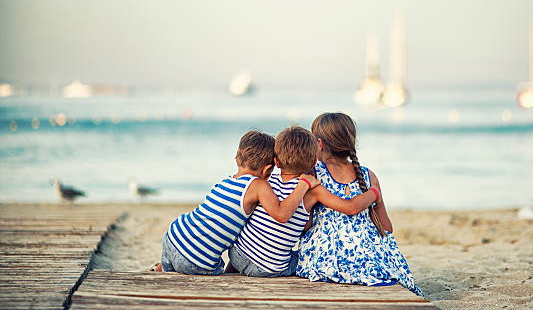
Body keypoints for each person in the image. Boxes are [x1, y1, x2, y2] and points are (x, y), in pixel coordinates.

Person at [296, 112, 423, 296]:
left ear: (320, 144)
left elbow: (305, 225)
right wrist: (374, 198)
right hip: (371, 254)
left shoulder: (314, 175)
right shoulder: (368, 175)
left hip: (328, 257)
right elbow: (386, 228)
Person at [159, 130, 320, 275]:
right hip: (196, 260)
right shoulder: (258, 186)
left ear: (238, 157)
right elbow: (282, 214)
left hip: (173, 235)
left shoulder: (225, 182)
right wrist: (303, 185)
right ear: (267, 170)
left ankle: (164, 268)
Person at [227, 125, 379, 277]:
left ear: (276, 163)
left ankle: (228, 274)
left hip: (237, 256)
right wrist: (373, 193)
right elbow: (350, 207)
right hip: (268, 269)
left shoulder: (265, 181)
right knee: (302, 259)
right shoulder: (311, 190)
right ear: (314, 163)